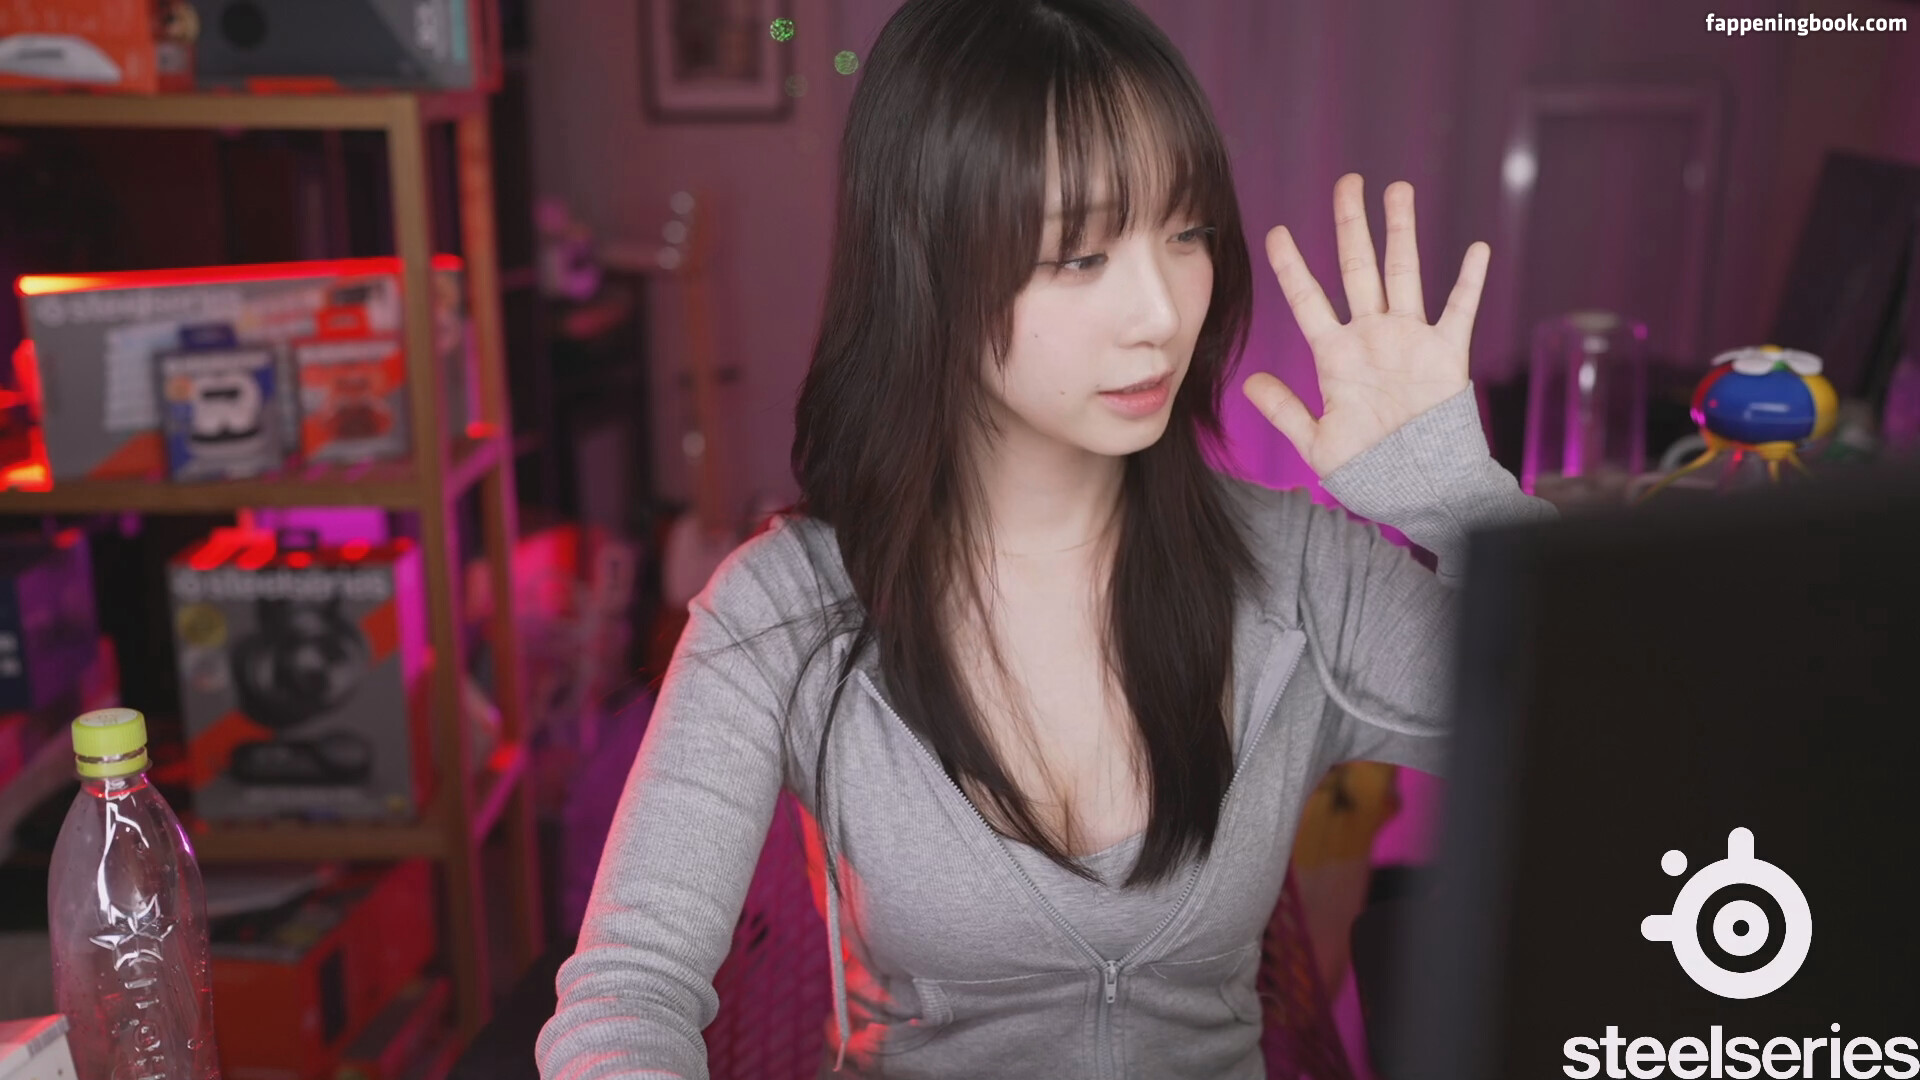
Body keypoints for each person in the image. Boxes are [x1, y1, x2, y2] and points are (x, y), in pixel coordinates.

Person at [535, 0, 1557, 1076]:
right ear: (929, 265)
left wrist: (1453, 497)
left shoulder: (1295, 576)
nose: (1161, 312)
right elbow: (626, 993)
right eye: (1080, 254)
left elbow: (1620, 729)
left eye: (1187, 233)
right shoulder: (787, 608)